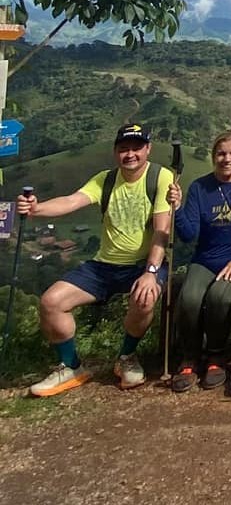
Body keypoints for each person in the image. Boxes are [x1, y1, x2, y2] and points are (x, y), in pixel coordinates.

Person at [17, 123, 173, 398]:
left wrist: (150, 272)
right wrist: (37, 209)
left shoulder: (161, 178)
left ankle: (126, 357)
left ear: (148, 149)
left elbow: (163, 230)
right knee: (51, 302)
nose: (130, 154)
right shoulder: (106, 180)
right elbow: (70, 201)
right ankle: (71, 366)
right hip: (104, 265)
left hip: (141, 263)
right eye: (124, 149)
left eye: (137, 148)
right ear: (115, 152)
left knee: (145, 298)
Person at [167, 128, 231, 391]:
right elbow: (188, 234)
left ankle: (217, 355)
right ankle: (190, 356)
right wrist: (177, 209)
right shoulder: (200, 187)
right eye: (221, 153)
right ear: (213, 156)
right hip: (205, 258)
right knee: (190, 297)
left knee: (220, 297)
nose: (227, 159)